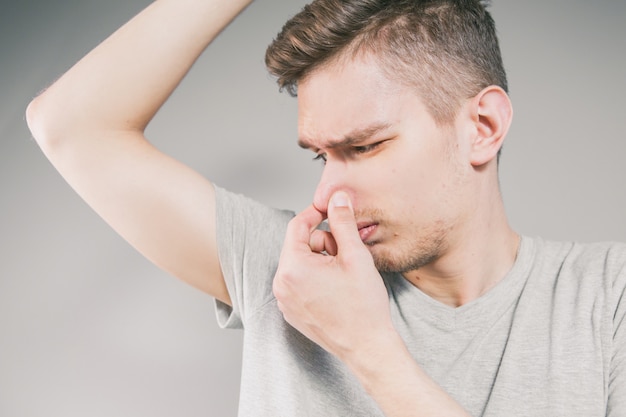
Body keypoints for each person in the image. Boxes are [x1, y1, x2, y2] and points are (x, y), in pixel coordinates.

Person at [24, 0, 626, 416]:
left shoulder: (609, 296)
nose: (326, 197)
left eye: (364, 146)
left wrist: (367, 349)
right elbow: (71, 125)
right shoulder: (293, 270)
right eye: (320, 156)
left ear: (483, 126)